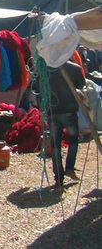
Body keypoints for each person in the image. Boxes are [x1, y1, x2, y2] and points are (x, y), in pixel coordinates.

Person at [47, 60, 85, 190]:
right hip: (69, 111)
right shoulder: (74, 68)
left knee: (55, 144)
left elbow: (36, 87)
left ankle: (59, 178)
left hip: (53, 111)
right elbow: (81, 84)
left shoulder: (46, 69)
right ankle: (69, 167)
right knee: (73, 140)